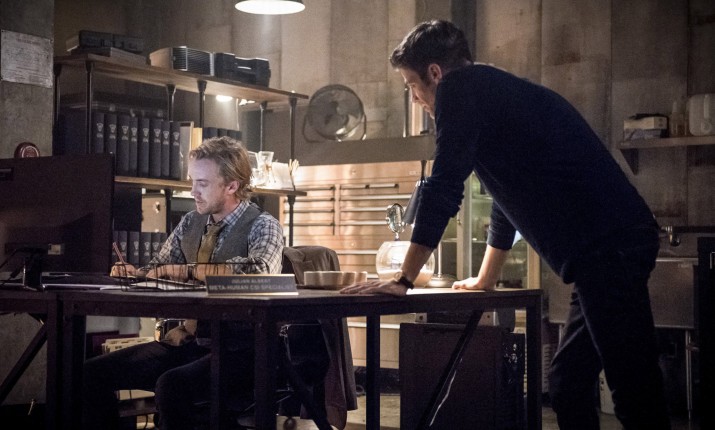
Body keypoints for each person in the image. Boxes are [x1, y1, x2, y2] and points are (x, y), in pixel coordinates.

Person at [341, 19, 671, 430]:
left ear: (435, 73)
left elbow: (444, 187)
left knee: (634, 390)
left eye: (411, 85)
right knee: (568, 384)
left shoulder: (459, 90)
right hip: (604, 250)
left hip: (609, 248)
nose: (415, 98)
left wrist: (403, 279)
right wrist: (486, 279)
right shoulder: (489, 88)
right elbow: (505, 198)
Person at [84, 136, 284, 430]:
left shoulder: (263, 224)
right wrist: (136, 273)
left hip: (242, 351)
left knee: (172, 385)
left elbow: (259, 272)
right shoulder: (191, 222)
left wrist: (185, 271)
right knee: (90, 374)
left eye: (202, 183)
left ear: (232, 186)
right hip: (188, 341)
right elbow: (160, 268)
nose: (193, 192)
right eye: (192, 181)